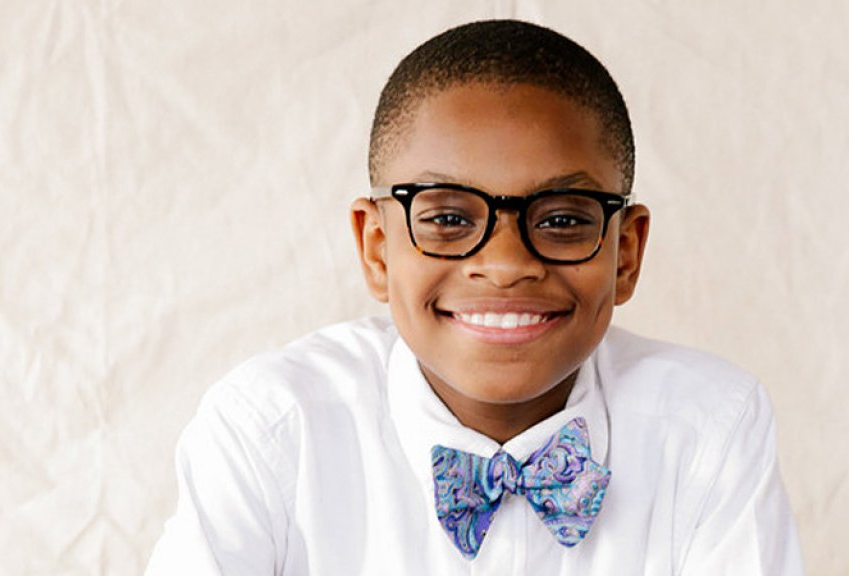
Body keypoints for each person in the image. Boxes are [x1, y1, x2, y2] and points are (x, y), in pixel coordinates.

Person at [146, 19, 804, 575]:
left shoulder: (709, 431)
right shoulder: (272, 431)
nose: (506, 265)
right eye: (448, 218)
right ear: (377, 248)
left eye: (562, 218)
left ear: (625, 253)